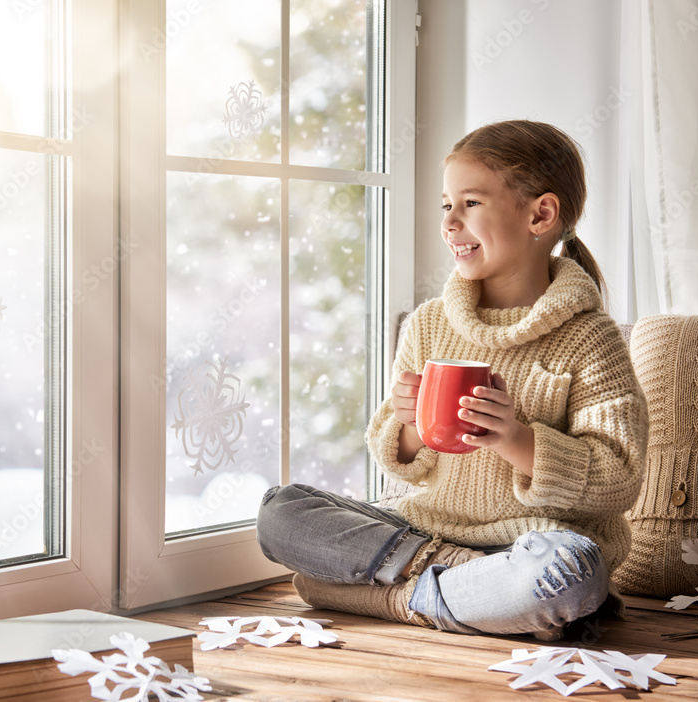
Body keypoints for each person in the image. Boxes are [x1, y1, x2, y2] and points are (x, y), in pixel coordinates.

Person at [256, 120, 648, 639]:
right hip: (424, 530)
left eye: (471, 204)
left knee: (569, 575)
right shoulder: (429, 324)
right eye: (447, 205)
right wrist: (409, 426)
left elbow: (619, 476)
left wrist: (518, 440)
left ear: (541, 214)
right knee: (281, 512)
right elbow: (393, 455)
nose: (449, 223)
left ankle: (385, 596)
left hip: (533, 543)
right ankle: (453, 589)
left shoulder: (590, 337)